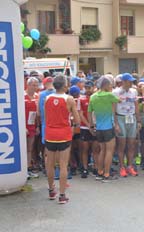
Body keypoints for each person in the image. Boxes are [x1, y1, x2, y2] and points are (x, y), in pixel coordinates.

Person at [45, 74, 80, 204]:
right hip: (63, 134)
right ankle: (62, 195)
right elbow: (77, 119)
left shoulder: (47, 98)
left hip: (50, 133)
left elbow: (43, 115)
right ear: (65, 85)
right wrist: (73, 125)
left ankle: (51, 190)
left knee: (50, 164)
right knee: (63, 165)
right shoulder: (69, 99)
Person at [88, 76, 120, 183]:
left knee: (102, 150)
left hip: (99, 127)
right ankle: (106, 174)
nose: (111, 86)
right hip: (108, 127)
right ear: (105, 85)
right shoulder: (109, 95)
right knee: (109, 151)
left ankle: (100, 172)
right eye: (110, 84)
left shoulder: (93, 97)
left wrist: (91, 125)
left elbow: (89, 112)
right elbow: (119, 100)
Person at [113, 73, 140, 177]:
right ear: (123, 81)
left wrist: (138, 121)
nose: (131, 83)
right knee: (121, 144)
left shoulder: (134, 91)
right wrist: (116, 124)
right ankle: (121, 167)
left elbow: (136, 106)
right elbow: (113, 108)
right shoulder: (116, 92)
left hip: (131, 118)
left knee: (131, 144)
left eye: (132, 81)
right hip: (120, 118)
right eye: (129, 81)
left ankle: (130, 166)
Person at [78, 80, 99, 178]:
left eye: (89, 87)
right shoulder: (81, 99)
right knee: (85, 149)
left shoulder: (96, 98)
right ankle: (85, 168)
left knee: (95, 149)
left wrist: (93, 125)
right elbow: (80, 114)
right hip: (84, 126)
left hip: (95, 126)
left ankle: (96, 167)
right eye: (86, 88)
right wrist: (88, 125)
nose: (88, 89)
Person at [25, 77, 40, 178]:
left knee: (30, 148)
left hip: (32, 126)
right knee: (23, 148)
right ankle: (23, 169)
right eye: (34, 85)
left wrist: (37, 126)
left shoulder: (37, 96)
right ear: (28, 85)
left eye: (36, 85)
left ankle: (29, 168)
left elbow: (37, 114)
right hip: (24, 126)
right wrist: (23, 126)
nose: (35, 87)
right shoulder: (22, 96)